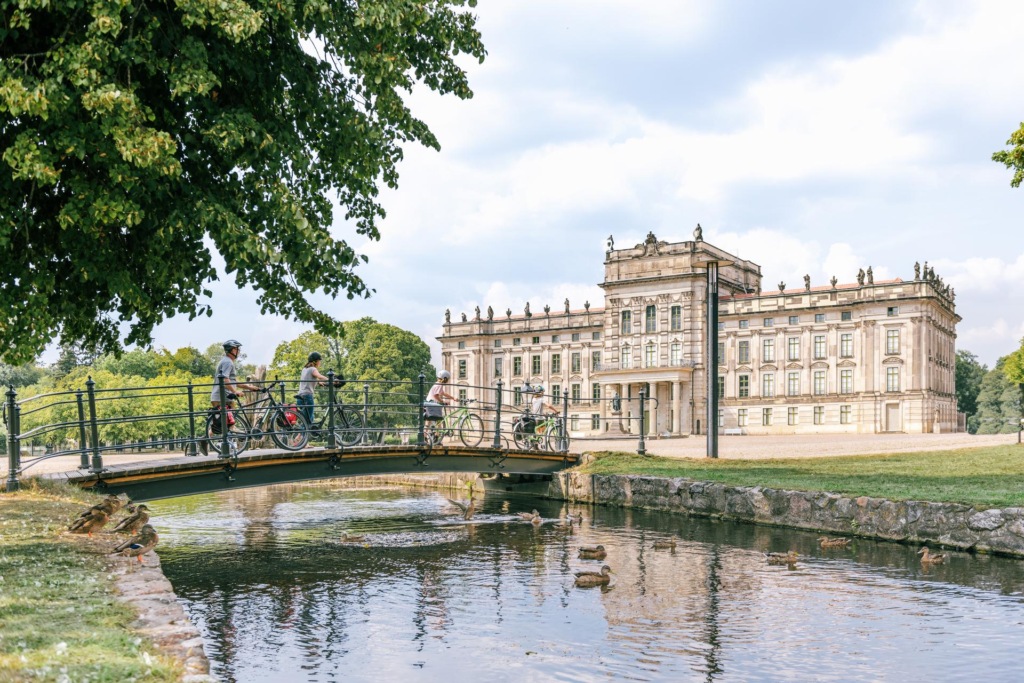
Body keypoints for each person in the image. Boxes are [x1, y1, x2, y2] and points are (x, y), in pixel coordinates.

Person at [209, 339, 259, 432]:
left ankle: (205, 439)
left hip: (220, 396)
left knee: (221, 423)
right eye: (237, 349)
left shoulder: (226, 361)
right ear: (232, 350)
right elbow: (225, 379)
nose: (239, 351)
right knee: (227, 421)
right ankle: (237, 434)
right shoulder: (228, 362)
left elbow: (233, 381)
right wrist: (235, 391)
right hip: (222, 397)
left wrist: (249, 387)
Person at [296, 351, 341, 425]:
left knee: (309, 418)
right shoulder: (313, 369)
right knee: (308, 422)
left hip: (300, 397)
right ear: (315, 361)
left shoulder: (304, 369)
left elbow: (308, 379)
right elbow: (319, 376)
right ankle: (299, 436)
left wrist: (318, 382)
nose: (320, 363)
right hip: (307, 397)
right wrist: (331, 379)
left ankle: (301, 435)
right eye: (319, 361)